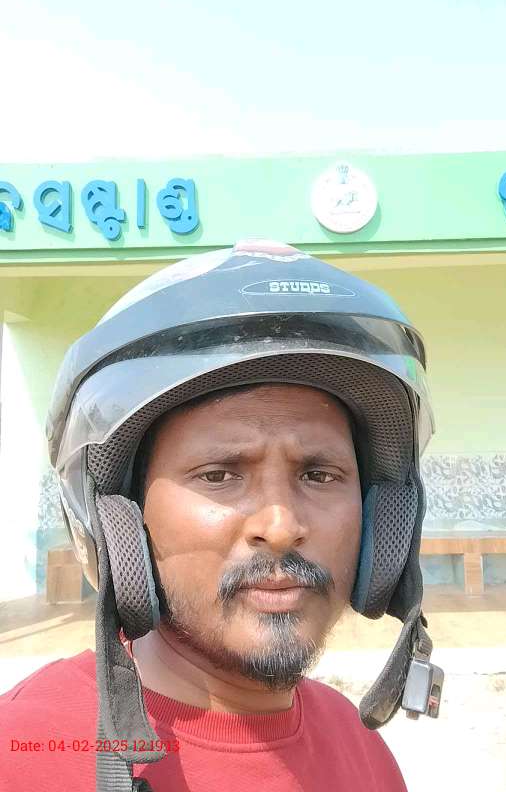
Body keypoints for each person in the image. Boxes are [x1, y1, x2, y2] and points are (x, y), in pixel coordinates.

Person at [0, 239, 443, 792]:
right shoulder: (21, 754)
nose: (280, 528)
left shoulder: (362, 749)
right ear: (123, 522)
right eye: (219, 475)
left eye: (319, 475)